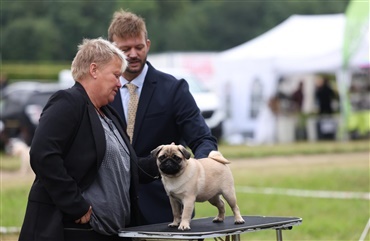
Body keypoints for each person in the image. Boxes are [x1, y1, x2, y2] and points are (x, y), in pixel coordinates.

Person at [18, 38, 159, 241]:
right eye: (116, 75)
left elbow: (127, 168)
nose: (120, 84)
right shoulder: (67, 102)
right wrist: (75, 205)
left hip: (109, 233)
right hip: (72, 232)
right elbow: (43, 154)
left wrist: (161, 161)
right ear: (94, 70)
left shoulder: (109, 113)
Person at [108, 9, 218, 225]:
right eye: (125, 49)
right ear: (111, 49)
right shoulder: (100, 92)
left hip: (165, 210)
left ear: (147, 45)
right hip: (111, 210)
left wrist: (198, 174)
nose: (132, 54)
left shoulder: (174, 90)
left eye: (138, 47)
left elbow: (204, 140)